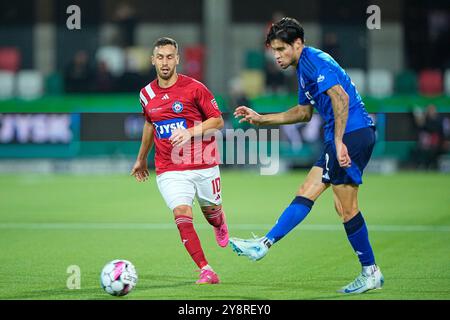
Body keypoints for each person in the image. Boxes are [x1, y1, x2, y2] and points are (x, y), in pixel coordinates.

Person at [230, 17, 384, 294]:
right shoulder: (303, 68)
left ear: (297, 44)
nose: (276, 56)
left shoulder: (313, 60)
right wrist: (261, 119)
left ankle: (370, 271)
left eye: (281, 49)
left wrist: (338, 142)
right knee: (308, 189)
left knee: (346, 208)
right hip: (345, 135)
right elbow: (303, 112)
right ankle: (264, 243)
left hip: (350, 134)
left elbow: (341, 98)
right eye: (274, 50)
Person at [130, 37, 229, 285]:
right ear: (153, 60)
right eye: (160, 57)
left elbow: (217, 121)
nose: (165, 62)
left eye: (170, 57)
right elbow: (149, 124)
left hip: (204, 163)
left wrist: (190, 132)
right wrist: (141, 159)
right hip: (169, 168)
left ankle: (218, 221)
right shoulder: (146, 94)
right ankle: (206, 269)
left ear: (177, 59)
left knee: (211, 214)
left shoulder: (195, 88)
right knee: (182, 214)